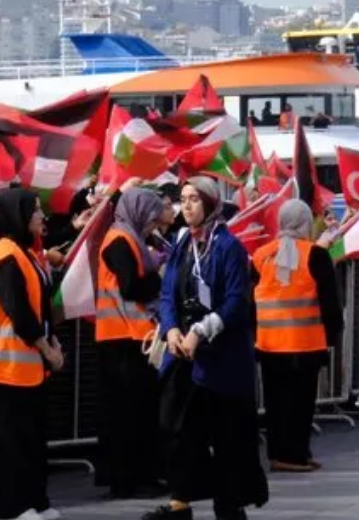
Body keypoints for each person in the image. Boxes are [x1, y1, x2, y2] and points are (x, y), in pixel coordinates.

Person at [145, 176, 267, 520]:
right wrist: (169, 329)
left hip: (221, 357)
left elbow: (235, 301)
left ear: (211, 204)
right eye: (183, 199)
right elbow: (168, 291)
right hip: (185, 354)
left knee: (227, 436)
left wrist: (201, 330)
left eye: (194, 199)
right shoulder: (183, 244)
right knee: (177, 429)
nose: (186, 206)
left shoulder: (228, 247)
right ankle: (182, 499)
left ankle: (229, 505)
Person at [0, 188, 63, 520]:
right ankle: (11, 509)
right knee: (12, 444)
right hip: (5, 368)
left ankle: (35, 502)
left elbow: (38, 310)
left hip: (25, 368)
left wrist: (52, 345)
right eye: (35, 210)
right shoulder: (7, 255)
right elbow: (20, 313)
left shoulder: (25, 253)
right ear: (17, 216)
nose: (41, 216)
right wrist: (46, 349)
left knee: (32, 440)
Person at [249, 200, 343, 472]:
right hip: (305, 343)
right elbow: (329, 302)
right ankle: (295, 455)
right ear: (304, 222)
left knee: (277, 403)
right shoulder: (315, 254)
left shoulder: (261, 255)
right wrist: (333, 335)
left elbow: (250, 300)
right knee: (301, 403)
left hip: (268, 344)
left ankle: (282, 454)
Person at [95, 187, 168, 499]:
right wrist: (159, 275)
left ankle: (137, 475)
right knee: (128, 413)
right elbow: (131, 287)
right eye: (152, 218)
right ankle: (127, 479)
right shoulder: (121, 241)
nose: (154, 226)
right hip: (122, 338)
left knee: (135, 412)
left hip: (129, 336)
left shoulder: (128, 239)